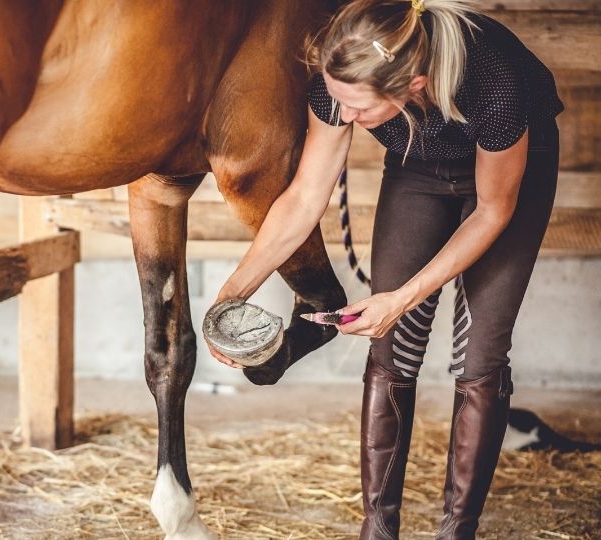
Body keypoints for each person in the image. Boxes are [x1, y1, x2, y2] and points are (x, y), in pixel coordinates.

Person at [206, 0, 563, 538]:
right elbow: (304, 198)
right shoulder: (339, 85)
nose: (344, 117)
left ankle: (455, 530)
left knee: (481, 353)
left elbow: (492, 212)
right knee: (391, 347)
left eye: (359, 109)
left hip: (504, 184)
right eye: (338, 101)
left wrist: (399, 297)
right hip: (420, 167)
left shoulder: (494, 84)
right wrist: (231, 294)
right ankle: (378, 528)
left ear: (411, 85)